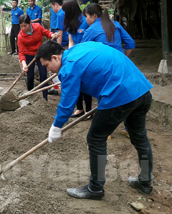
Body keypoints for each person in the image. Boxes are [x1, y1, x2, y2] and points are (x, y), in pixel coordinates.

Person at [35, 41, 154, 200]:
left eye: (46, 65)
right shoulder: (79, 49)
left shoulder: (69, 67)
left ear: (56, 58)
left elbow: (68, 102)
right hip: (140, 89)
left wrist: (56, 126)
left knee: (96, 138)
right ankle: (145, 183)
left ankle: (95, 189)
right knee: (139, 137)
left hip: (120, 94)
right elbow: (101, 71)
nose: (47, 70)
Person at [81, 3, 136, 137]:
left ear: (93, 16)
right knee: (125, 96)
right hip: (122, 66)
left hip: (103, 68)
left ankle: (106, 131)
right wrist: (123, 58)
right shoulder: (116, 25)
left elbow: (82, 51)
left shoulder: (91, 30)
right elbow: (131, 43)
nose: (86, 20)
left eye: (86, 17)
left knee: (104, 97)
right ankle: (129, 130)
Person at [62, 0, 92, 119]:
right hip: (76, 57)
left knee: (86, 84)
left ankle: (89, 111)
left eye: (65, 12)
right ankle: (80, 109)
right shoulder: (69, 22)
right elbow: (71, 41)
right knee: (76, 83)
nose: (64, 14)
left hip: (85, 57)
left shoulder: (85, 21)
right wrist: (70, 55)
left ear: (71, 11)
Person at [17, 14, 57, 100]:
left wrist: (52, 35)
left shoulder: (38, 27)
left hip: (40, 53)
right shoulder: (20, 36)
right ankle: (30, 96)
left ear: (30, 23)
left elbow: (46, 33)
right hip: (28, 55)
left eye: (25, 26)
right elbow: (21, 52)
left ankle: (45, 98)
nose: (23, 28)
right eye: (21, 26)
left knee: (43, 75)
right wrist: (24, 64)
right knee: (30, 76)